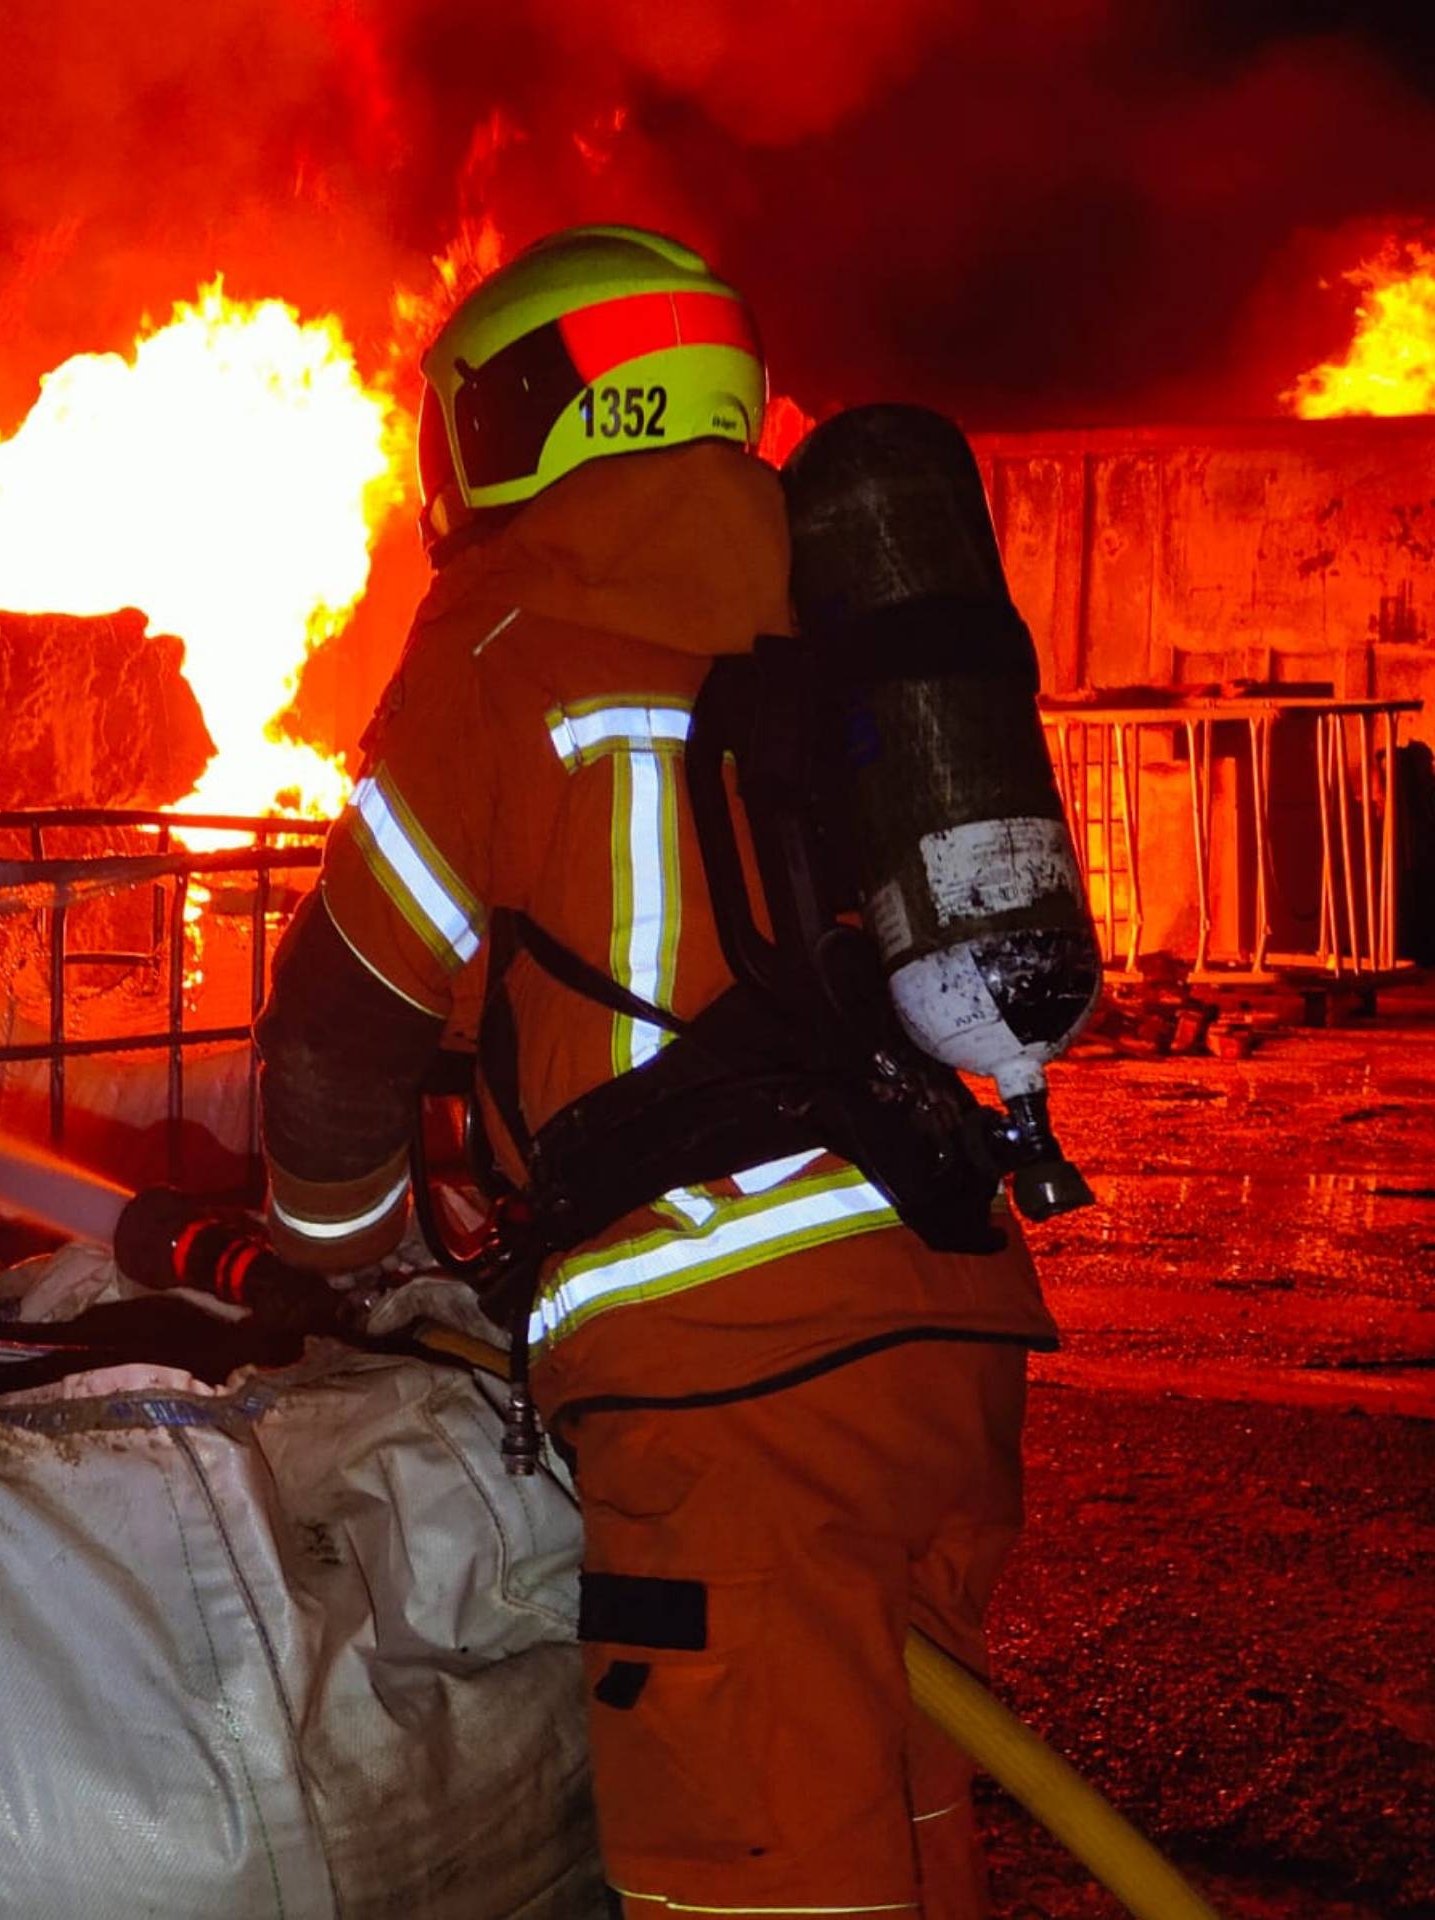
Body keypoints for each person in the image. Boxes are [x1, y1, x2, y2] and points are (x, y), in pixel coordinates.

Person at [253, 225, 1059, 1918]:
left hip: (729, 1377)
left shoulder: (507, 636)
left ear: (519, 412)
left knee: (753, 1869)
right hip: (949, 1317)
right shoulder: (834, 605)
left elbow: (338, 1020)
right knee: (903, 1820)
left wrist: (334, 1258)